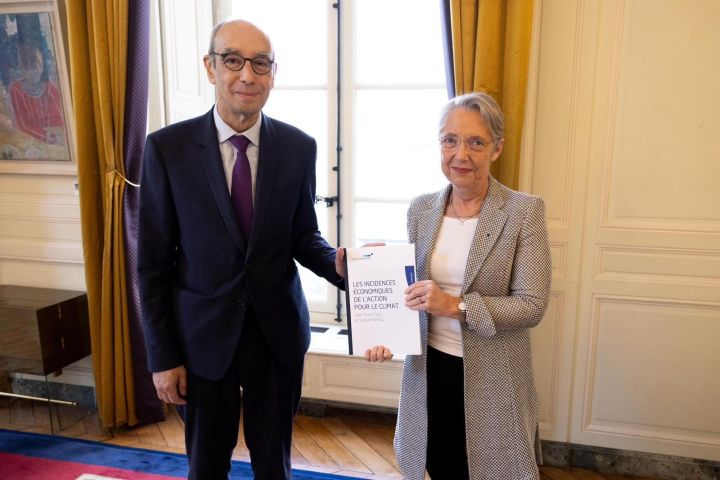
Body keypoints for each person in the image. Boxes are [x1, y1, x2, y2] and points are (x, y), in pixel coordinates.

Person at [137, 20, 345, 480]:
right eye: (233, 60)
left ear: (273, 74)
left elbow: (301, 236)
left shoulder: (297, 147)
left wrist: (340, 264)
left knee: (275, 466)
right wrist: (162, 357)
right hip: (202, 340)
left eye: (261, 64)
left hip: (276, 336)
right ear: (210, 68)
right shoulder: (166, 149)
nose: (247, 75)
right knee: (206, 468)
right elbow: (151, 264)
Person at [366, 92, 552, 480]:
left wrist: (455, 306)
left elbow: (532, 305)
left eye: (475, 142)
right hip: (429, 369)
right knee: (440, 464)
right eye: (450, 140)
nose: (460, 154)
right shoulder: (421, 208)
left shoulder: (523, 211)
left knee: (495, 470)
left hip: (494, 372)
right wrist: (383, 329)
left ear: (497, 148)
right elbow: (414, 291)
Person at [9, 44, 64, 144]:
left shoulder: (51, 90)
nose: (31, 73)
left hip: (55, 141)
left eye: (34, 67)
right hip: (31, 143)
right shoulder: (17, 90)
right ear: (21, 70)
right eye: (26, 69)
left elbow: (60, 123)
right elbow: (23, 126)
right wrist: (50, 138)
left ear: (41, 67)